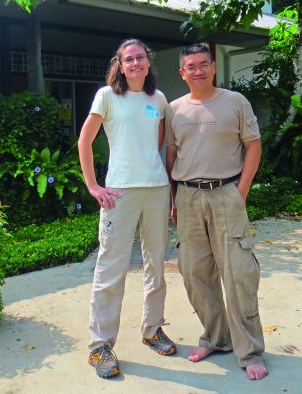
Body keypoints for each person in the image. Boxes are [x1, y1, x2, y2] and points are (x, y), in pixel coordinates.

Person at [164, 43, 268, 381]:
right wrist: (172, 197)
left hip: (226, 193)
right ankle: (216, 338)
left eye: (203, 64)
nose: (197, 70)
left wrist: (241, 192)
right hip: (188, 198)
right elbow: (172, 154)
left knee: (238, 273)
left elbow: (253, 146)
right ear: (182, 73)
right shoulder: (174, 109)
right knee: (194, 272)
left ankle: (249, 350)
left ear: (213, 68)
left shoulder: (235, 102)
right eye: (190, 66)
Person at [78, 38, 176, 379]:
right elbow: (84, 141)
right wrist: (93, 186)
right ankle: (100, 346)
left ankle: (152, 330)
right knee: (111, 268)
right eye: (128, 59)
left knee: (156, 264)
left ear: (148, 63)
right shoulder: (107, 96)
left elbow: (160, 144)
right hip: (119, 193)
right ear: (119, 65)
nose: (135, 63)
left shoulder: (158, 99)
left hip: (157, 189)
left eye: (140, 58)